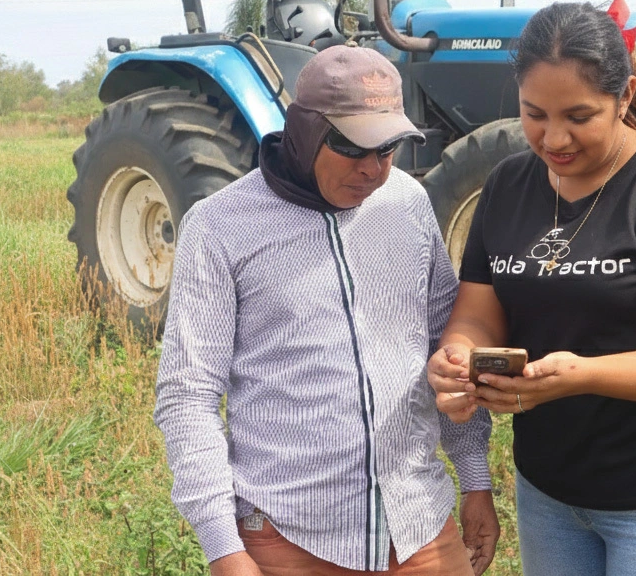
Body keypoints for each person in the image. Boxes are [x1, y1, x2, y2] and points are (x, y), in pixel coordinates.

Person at [427, 0, 636, 576]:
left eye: (579, 116)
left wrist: (585, 376)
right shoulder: (508, 186)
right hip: (551, 496)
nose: (553, 137)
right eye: (535, 113)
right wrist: (457, 354)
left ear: (626, 94)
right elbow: (479, 312)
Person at [155, 44, 499, 576]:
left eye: (387, 151)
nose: (372, 170)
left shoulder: (406, 203)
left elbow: (445, 350)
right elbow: (188, 395)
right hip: (288, 536)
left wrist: (474, 478)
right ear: (306, 130)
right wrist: (223, 547)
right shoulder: (221, 226)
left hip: (418, 527)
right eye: (353, 148)